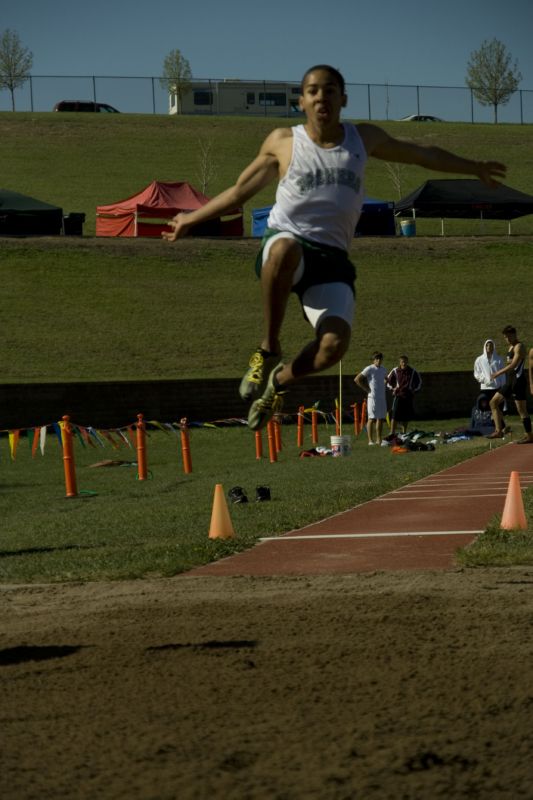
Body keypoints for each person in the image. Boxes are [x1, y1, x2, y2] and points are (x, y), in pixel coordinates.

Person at [162, 64, 507, 431]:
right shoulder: (284, 141)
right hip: (285, 242)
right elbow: (238, 192)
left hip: (331, 260)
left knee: (334, 344)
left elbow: (421, 153)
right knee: (284, 250)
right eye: (312, 90)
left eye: (329, 90)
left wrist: (473, 166)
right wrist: (191, 218)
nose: (321, 97)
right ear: (301, 101)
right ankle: (268, 348)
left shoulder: (363, 139)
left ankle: (278, 382)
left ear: (343, 99)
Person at [489, 325, 533, 443]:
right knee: (493, 402)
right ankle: (498, 431)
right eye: (505, 337)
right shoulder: (510, 347)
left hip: (518, 381)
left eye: (509, 336)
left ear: (514, 334)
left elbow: (513, 365)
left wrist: (497, 373)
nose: (507, 339)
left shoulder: (519, 347)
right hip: (510, 381)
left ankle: (529, 435)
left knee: (521, 410)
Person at [354, 352, 388, 445]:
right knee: (372, 418)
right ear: (373, 360)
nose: (379, 360)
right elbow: (357, 379)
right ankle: (370, 440)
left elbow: (386, 378)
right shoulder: (369, 368)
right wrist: (367, 389)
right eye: (376, 359)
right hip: (372, 397)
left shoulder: (384, 369)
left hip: (382, 397)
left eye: (380, 359)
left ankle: (379, 439)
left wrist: (385, 383)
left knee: (380, 418)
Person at [386, 355, 422, 435]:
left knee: (406, 416)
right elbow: (388, 381)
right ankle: (392, 432)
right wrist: (393, 388)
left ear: (407, 362)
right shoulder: (395, 370)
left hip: (408, 396)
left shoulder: (412, 371)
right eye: (402, 362)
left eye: (405, 361)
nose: (404, 363)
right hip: (398, 396)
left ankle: (404, 432)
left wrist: (414, 390)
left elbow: (419, 382)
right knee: (394, 415)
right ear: (400, 362)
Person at [473, 339, 505, 403]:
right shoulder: (479, 360)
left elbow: (502, 374)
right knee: (486, 407)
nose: (489, 347)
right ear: (485, 347)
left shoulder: (499, 359)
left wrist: (503, 386)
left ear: (494, 347)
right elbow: (477, 373)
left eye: (491, 345)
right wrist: (485, 380)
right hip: (485, 388)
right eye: (487, 345)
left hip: (497, 387)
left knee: (497, 406)